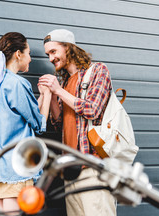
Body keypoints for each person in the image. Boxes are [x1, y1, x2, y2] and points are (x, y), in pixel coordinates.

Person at [38, 29, 116, 216]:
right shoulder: (64, 82)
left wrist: (59, 91)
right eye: (48, 54)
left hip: (93, 168)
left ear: (68, 48)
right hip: (70, 171)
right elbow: (59, 125)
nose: (50, 58)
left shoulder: (97, 71)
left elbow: (92, 109)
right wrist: (50, 92)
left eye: (54, 52)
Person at [0, 32, 51, 214]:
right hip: (15, 167)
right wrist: (49, 95)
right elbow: (39, 123)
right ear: (18, 54)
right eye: (29, 54)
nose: (30, 59)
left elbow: (20, 113)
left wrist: (41, 96)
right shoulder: (17, 83)